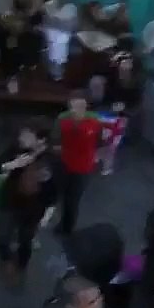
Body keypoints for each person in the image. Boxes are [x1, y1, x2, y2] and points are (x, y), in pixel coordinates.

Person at [0, 123, 56, 286]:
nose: (21, 139)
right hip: (10, 201)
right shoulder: (17, 149)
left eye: (27, 136)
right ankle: (7, 260)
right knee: (1, 237)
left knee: (25, 240)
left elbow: (54, 190)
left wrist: (47, 214)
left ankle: (20, 267)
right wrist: (13, 165)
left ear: (41, 140)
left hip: (34, 208)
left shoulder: (52, 160)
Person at [55, 92, 103, 236]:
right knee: (64, 197)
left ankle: (67, 228)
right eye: (74, 106)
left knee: (73, 199)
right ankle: (64, 223)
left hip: (82, 167)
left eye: (81, 106)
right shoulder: (63, 121)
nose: (77, 110)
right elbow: (56, 139)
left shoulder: (95, 122)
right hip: (64, 164)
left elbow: (100, 140)